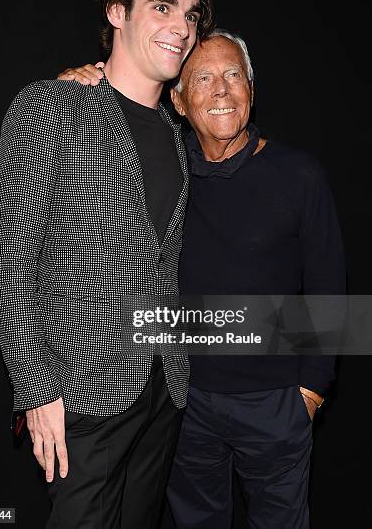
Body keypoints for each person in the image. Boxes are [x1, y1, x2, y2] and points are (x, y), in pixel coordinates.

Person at [61, 29, 345, 528]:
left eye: (234, 75)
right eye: (203, 78)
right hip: (185, 404)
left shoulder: (300, 175)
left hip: (275, 402)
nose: (221, 90)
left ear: (251, 91)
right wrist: (78, 89)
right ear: (178, 100)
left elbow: (329, 287)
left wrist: (311, 392)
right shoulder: (167, 170)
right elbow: (103, 145)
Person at [0, 0, 214, 529]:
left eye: (190, 15)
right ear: (118, 11)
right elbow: (8, 265)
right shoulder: (51, 107)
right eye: (163, 7)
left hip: (164, 389)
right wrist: (38, 392)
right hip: (82, 395)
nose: (181, 29)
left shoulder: (172, 129)